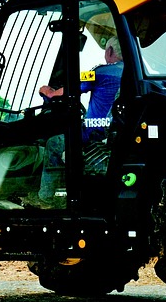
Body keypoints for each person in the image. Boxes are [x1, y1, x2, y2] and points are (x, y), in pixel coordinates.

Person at [32, 37, 124, 204]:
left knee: (54, 143)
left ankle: (45, 198)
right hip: (115, 132)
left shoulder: (99, 72)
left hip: (93, 132)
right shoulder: (131, 74)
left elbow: (73, 86)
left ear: (109, 51)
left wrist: (48, 91)